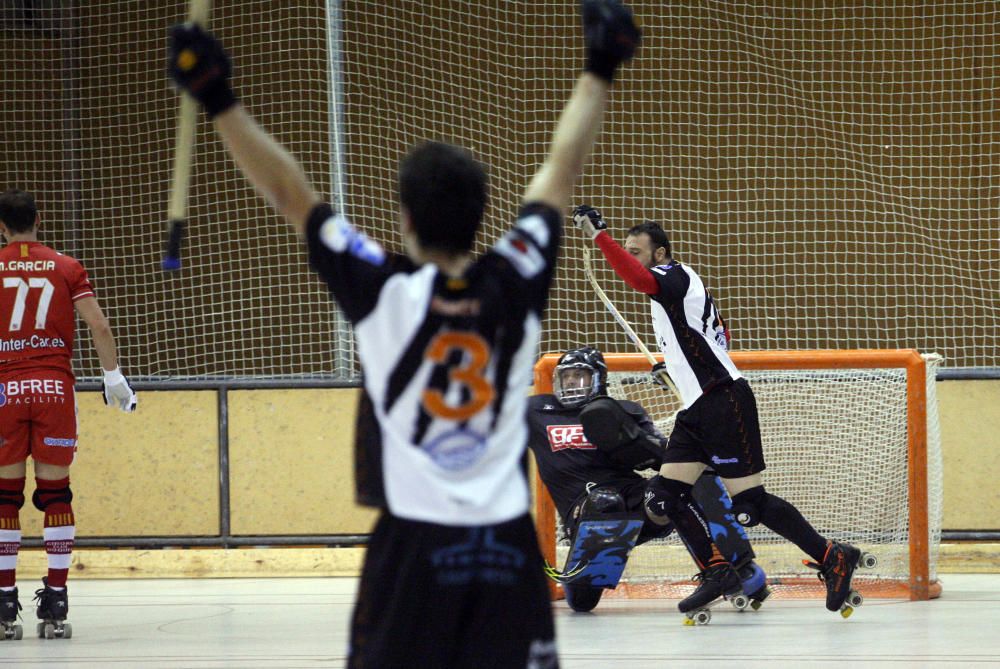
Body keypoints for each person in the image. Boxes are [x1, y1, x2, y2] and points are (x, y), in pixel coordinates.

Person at [167, 1, 640, 665]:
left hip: (414, 547)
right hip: (503, 549)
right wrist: (600, 65)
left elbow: (289, 192)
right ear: (482, 220)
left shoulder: (381, 286)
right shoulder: (513, 279)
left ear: (406, 221)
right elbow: (560, 174)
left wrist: (217, 96)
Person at [573, 206, 868, 618]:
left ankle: (833, 555)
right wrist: (676, 365)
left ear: (660, 254)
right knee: (662, 498)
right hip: (698, 405)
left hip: (723, 400)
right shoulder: (678, 290)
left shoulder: (673, 276)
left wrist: (600, 238)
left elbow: (638, 279)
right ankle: (719, 573)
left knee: (749, 504)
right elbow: (716, 338)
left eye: (635, 251)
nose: (629, 256)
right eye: (626, 249)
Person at [527, 346, 768, 613]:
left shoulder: (624, 410)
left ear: (599, 380)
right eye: (566, 376)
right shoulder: (537, 411)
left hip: (635, 499)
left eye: (579, 375)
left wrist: (639, 441)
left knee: (677, 485)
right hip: (583, 509)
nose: (571, 381)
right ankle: (584, 575)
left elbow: (669, 459)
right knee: (582, 603)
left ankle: (723, 568)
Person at [0, 189, 137, 639]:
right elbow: (98, 323)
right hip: (54, 388)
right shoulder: (66, 266)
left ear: (2, 226)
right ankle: (56, 601)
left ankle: (3, 604)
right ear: (38, 220)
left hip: (6, 388)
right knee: (56, 493)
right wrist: (113, 377)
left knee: (6, 497)